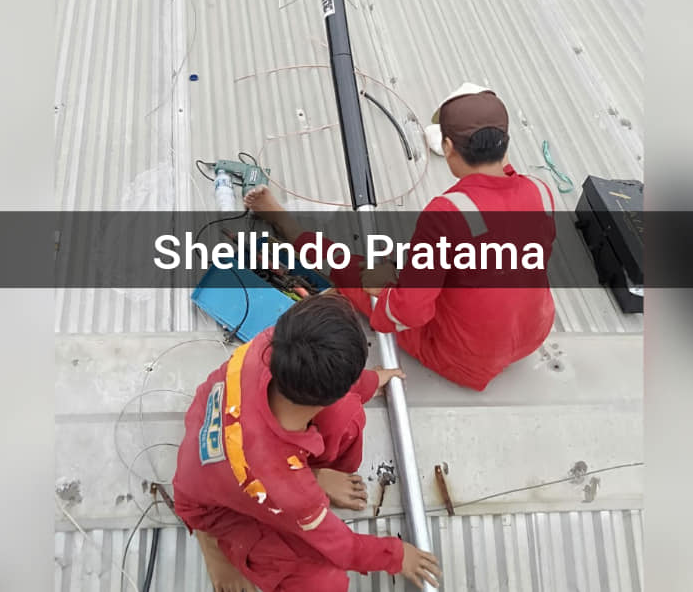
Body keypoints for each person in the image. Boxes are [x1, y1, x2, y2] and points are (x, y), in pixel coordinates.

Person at [244, 85, 556, 392]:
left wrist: (384, 290)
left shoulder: (448, 212)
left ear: (448, 146)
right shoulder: (540, 190)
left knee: (353, 268)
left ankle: (285, 225)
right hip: (533, 333)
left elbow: (409, 313)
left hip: (465, 358)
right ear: (505, 143)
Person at [173, 293, 441, 592]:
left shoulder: (271, 342)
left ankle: (315, 473)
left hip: (219, 422)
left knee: (347, 415)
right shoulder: (292, 493)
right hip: (212, 505)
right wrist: (398, 555)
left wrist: (370, 381)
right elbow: (344, 548)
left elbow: (337, 384)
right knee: (324, 584)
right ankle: (213, 542)